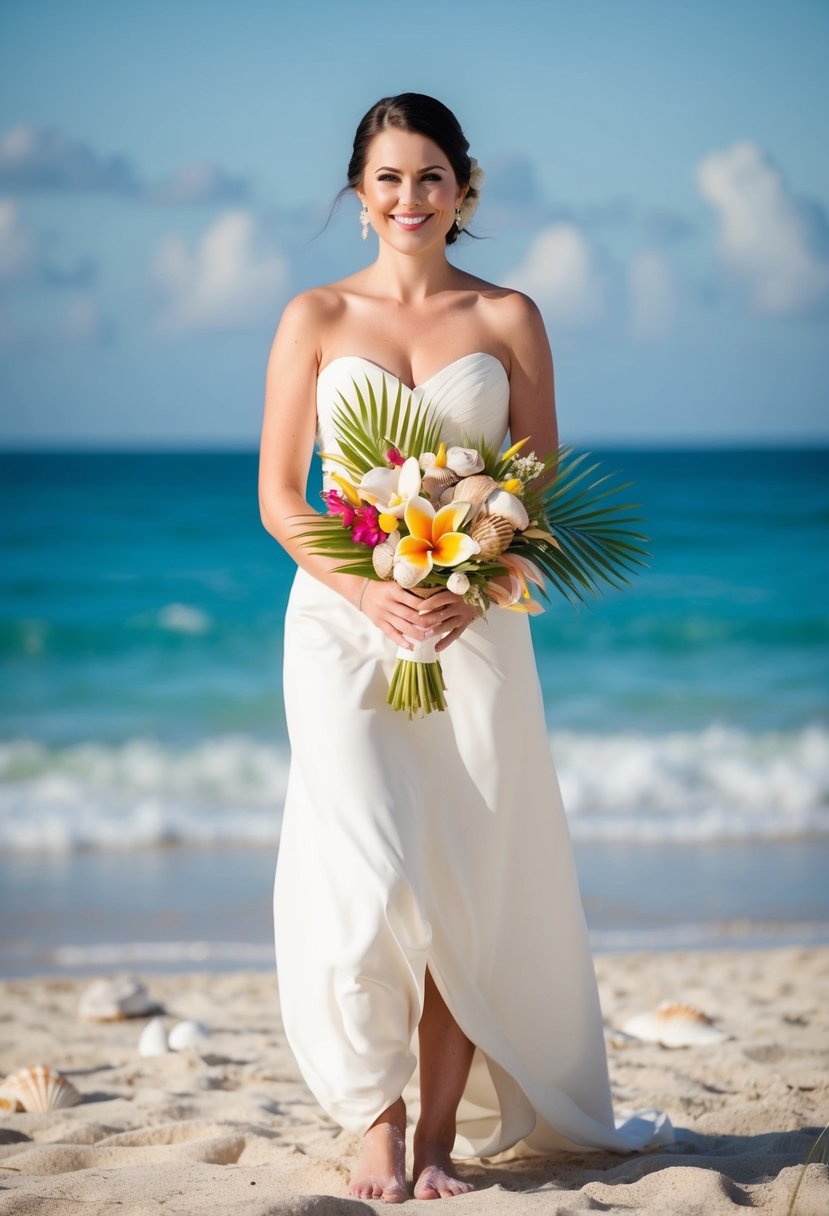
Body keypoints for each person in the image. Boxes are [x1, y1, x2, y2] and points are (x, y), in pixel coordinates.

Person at [258, 93, 671, 1204]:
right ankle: (374, 1121)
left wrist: (465, 585)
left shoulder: (508, 318)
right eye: (388, 178)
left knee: (462, 886)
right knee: (368, 875)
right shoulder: (313, 317)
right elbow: (278, 497)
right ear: (358, 195)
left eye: (430, 175)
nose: (409, 197)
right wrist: (373, 589)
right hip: (342, 631)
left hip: (474, 628)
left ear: (465, 188)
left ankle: (436, 1134)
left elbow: (541, 498)